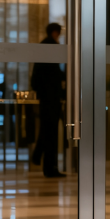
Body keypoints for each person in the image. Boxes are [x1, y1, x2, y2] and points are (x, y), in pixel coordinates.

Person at [31, 23, 65, 178]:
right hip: (51, 96)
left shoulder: (43, 46)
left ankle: (39, 157)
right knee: (51, 132)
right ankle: (49, 166)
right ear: (55, 32)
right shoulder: (51, 46)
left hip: (45, 96)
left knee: (46, 129)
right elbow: (54, 72)